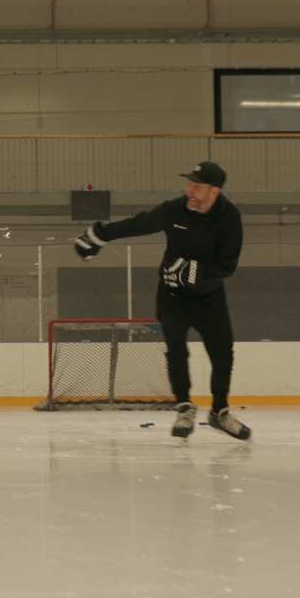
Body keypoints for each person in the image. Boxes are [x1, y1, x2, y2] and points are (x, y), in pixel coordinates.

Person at [73, 160, 251, 441]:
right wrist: (98, 236)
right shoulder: (175, 209)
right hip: (172, 296)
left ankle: (220, 412)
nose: (190, 191)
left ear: (214, 191)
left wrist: (190, 272)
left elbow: (227, 266)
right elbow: (140, 223)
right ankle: (184, 407)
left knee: (222, 354)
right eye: (189, 184)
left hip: (210, 299)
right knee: (177, 351)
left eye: (197, 186)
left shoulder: (229, 218)